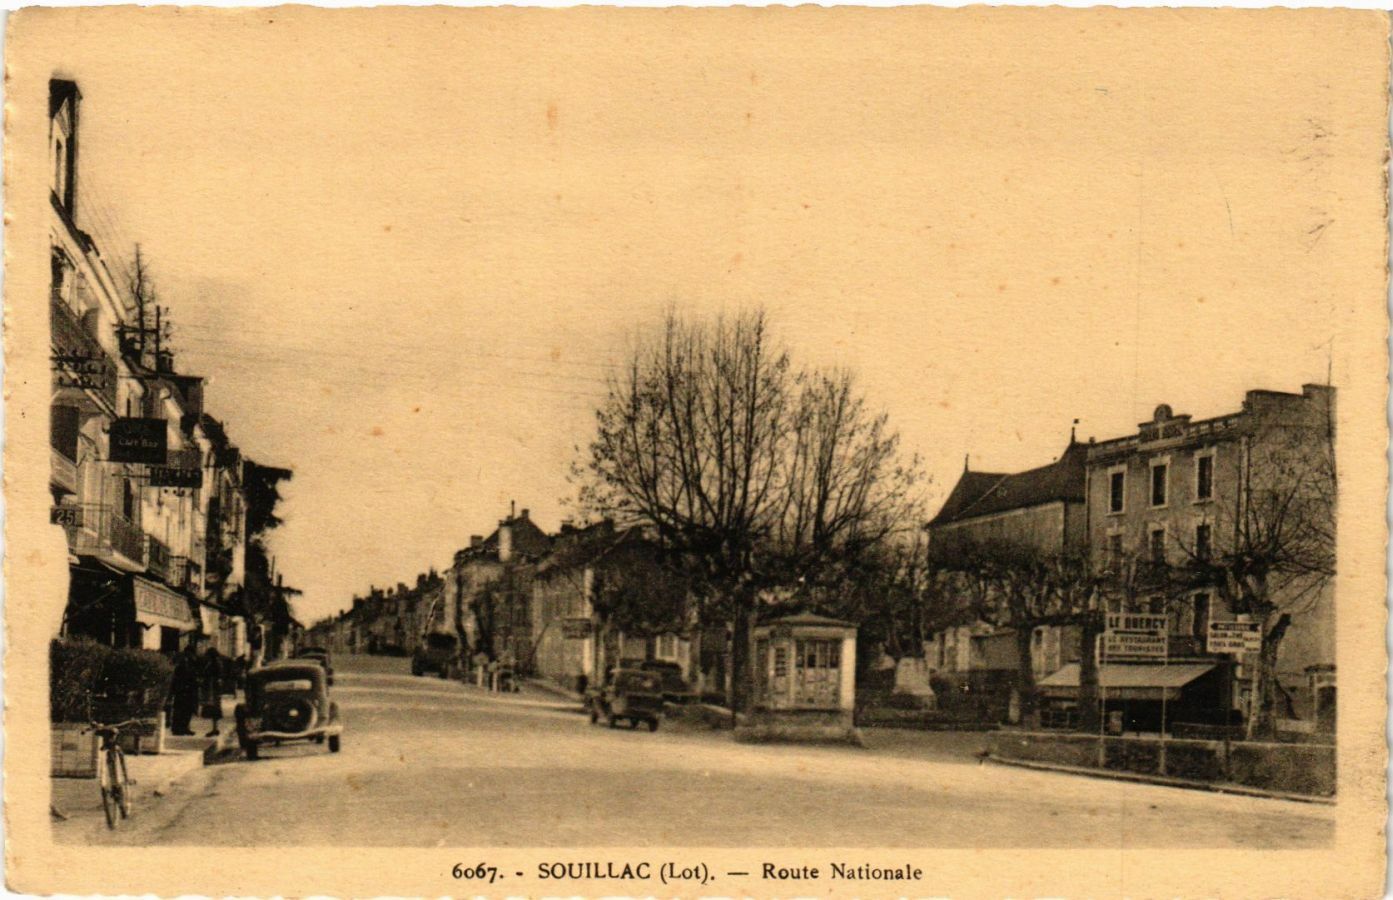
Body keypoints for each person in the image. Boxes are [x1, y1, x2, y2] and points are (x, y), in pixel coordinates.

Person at [169, 643, 201, 736]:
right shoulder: (184, 661)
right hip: (184, 690)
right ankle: (179, 729)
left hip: (185, 690)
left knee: (186, 710)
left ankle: (183, 728)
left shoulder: (187, 661)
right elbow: (184, 675)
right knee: (182, 710)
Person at [200, 645, 226, 737]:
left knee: (214, 708)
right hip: (213, 688)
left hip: (212, 688)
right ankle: (214, 728)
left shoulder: (214, 663)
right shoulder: (215, 662)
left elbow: (215, 676)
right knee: (214, 708)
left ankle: (215, 728)